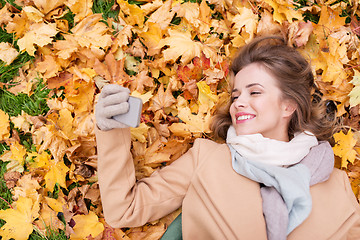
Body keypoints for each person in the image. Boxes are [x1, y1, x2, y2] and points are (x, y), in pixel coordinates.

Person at [95, 36, 360, 239]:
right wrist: (111, 130)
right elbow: (125, 209)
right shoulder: (207, 158)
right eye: (235, 96)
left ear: (288, 106)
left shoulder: (336, 185)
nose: (239, 103)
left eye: (254, 93)